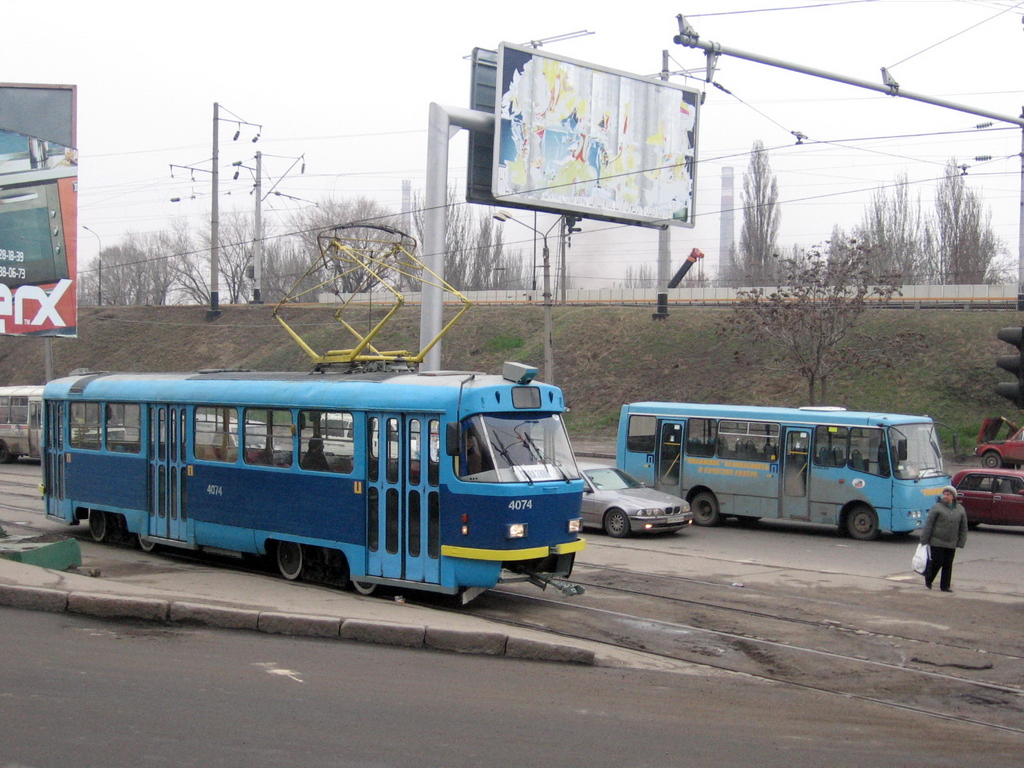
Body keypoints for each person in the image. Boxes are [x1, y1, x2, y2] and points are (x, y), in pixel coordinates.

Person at [920, 484, 968, 592]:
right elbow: (929, 524)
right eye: (944, 494)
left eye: (948, 494)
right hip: (937, 541)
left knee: (948, 564)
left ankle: (945, 586)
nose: (945, 496)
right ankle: (929, 578)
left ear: (953, 496)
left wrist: (961, 541)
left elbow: (963, 527)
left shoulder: (960, 510)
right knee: (937, 561)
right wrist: (924, 539)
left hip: (951, 542)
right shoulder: (937, 507)